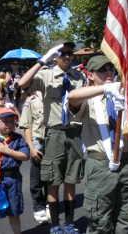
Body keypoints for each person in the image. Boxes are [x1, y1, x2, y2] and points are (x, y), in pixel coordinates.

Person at [18, 42, 85, 234]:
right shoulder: (45, 74)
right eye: (62, 53)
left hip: (73, 132)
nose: (67, 57)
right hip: (53, 133)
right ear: (55, 56)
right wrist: (43, 60)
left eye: (70, 54)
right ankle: (55, 225)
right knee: (53, 182)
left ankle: (70, 223)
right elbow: (22, 84)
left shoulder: (78, 77)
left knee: (71, 181)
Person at [67, 55, 128, 234]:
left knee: (126, 216)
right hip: (100, 165)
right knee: (100, 220)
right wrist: (105, 88)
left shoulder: (125, 93)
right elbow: (72, 97)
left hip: (127, 162)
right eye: (102, 70)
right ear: (90, 75)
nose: (109, 73)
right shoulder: (90, 97)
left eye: (111, 69)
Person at [19, 90, 50, 224]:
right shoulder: (31, 99)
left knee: (51, 176)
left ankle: (49, 203)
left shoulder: (54, 94)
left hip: (53, 141)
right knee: (36, 178)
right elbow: (26, 126)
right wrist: (31, 147)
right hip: (38, 141)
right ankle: (38, 207)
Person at [0, 107, 30, 234]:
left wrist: (7, 151)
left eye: (11, 121)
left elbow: (25, 156)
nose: (9, 124)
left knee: (13, 210)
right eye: (5, 121)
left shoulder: (18, 138)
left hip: (12, 179)